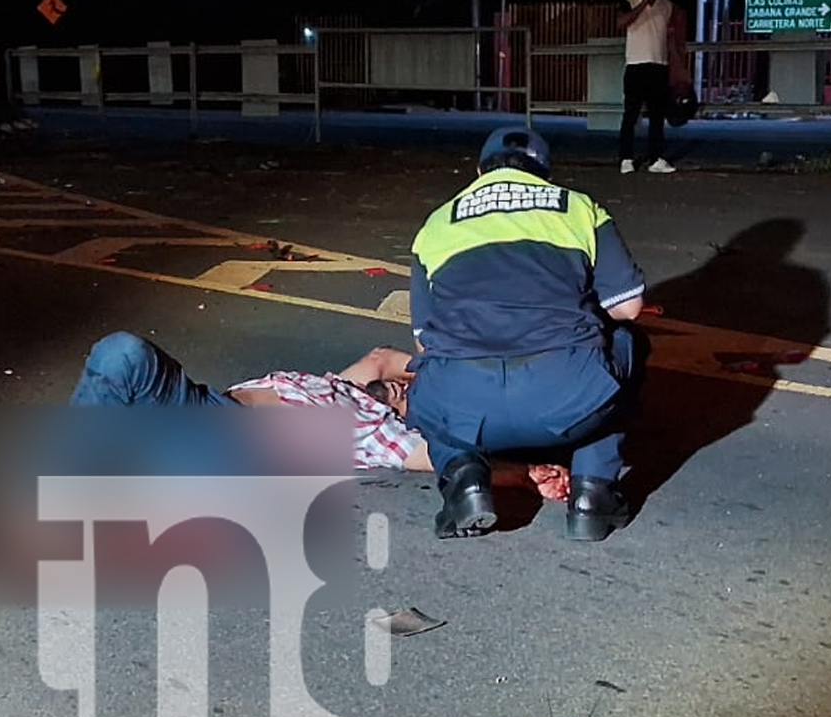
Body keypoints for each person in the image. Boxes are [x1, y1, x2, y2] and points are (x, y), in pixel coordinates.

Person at [405, 126, 649, 542]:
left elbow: (423, 338)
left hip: (466, 402)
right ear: (544, 173)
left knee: (429, 387)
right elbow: (628, 308)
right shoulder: (579, 207)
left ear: (480, 170)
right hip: (567, 394)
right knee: (628, 345)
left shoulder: (437, 223)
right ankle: (594, 494)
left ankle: (464, 477)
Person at [68, 331, 571, 499]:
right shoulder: (346, 382)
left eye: (407, 400)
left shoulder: (379, 432)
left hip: (231, 449)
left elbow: (444, 458)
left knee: (124, 358)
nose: (399, 389)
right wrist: (442, 376)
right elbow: (383, 356)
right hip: (200, 411)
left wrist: (525, 476)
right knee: (122, 358)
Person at [616, 0, 688, 176]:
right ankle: (626, 158)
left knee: (657, 115)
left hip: (659, 64)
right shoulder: (628, 1)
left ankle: (656, 157)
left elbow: (674, 32)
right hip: (636, 65)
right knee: (631, 114)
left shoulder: (667, 6)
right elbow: (621, 23)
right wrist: (643, 4)